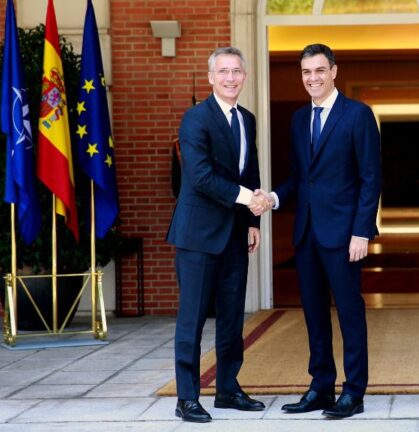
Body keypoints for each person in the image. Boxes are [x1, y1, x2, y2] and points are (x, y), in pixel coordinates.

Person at [252, 43, 381, 419]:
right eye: (306, 72)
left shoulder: (358, 115)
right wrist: (273, 198)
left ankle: (353, 393)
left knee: (350, 313)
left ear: (334, 71)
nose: (313, 78)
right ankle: (321, 386)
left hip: (344, 235)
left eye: (320, 70)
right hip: (306, 234)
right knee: (313, 313)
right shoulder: (297, 120)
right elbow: (299, 178)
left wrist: (362, 231)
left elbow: (371, 178)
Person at [166, 46, 270, 423]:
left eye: (236, 71)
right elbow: (201, 176)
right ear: (211, 77)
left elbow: (250, 170)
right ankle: (187, 398)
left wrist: (253, 221)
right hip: (197, 236)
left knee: (231, 317)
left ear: (244, 76)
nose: (230, 78)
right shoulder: (196, 119)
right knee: (191, 319)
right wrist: (250, 199)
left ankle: (227, 388)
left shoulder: (248, 119)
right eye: (223, 71)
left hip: (235, 234)